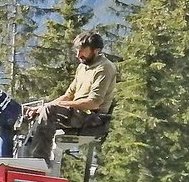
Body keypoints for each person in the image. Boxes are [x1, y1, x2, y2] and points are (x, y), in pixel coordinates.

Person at [16, 31, 116, 160]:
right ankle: (24, 158)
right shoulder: (82, 67)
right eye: (77, 51)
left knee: (49, 111)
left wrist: (58, 105)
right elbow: (68, 95)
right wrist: (39, 108)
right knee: (38, 113)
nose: (78, 55)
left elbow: (94, 103)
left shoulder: (104, 68)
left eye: (83, 51)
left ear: (96, 51)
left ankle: (40, 161)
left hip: (92, 117)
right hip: (77, 113)